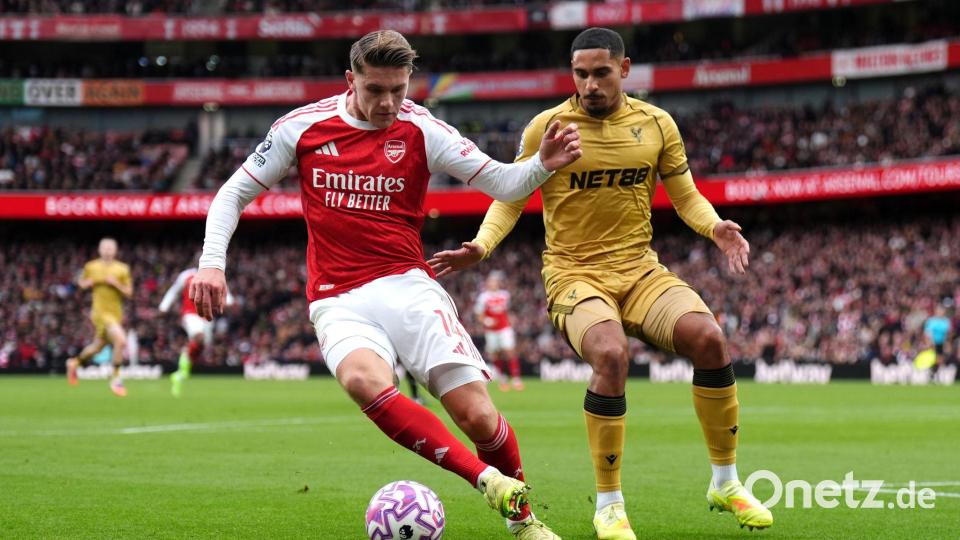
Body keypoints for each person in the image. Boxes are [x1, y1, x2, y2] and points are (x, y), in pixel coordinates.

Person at [189, 30, 581, 539]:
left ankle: (523, 522)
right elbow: (232, 193)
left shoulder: (423, 128)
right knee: (362, 380)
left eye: (399, 89)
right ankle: (487, 480)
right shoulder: (302, 128)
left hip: (407, 287)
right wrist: (211, 263)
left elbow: (502, 182)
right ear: (350, 81)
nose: (389, 103)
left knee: (479, 417)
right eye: (376, 89)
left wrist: (541, 165)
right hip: (337, 297)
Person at [429, 27, 772, 538]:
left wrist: (715, 227)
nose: (590, 84)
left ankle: (725, 482)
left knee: (710, 339)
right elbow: (511, 196)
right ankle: (609, 505)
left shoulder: (657, 124)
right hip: (573, 273)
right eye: (580, 74)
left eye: (601, 73)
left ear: (624, 69)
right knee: (611, 356)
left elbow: (685, 195)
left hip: (640, 271)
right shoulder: (548, 128)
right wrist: (482, 246)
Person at [66, 237, 133, 397]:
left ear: (115, 251)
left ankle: (74, 363)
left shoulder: (122, 269)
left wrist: (115, 283)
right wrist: (86, 284)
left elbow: (129, 292)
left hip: (116, 313)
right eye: (105, 248)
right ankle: (116, 379)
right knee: (121, 340)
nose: (107, 251)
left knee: (98, 346)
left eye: (110, 248)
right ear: (100, 250)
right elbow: (80, 284)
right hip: (99, 312)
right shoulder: (91, 266)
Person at [158, 267, 233, 397]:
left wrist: (229, 301)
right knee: (199, 337)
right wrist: (164, 306)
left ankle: (180, 373)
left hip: (207, 315)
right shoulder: (186, 275)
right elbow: (174, 291)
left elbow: (223, 288)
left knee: (203, 345)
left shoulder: (214, 273)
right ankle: (183, 368)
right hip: (190, 314)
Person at [475, 272, 524, 391]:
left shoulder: (505, 295)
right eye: (490, 282)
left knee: (510, 351)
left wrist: (511, 319)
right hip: (491, 331)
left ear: (498, 283)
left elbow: (508, 310)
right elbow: (479, 315)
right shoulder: (483, 297)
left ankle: (516, 379)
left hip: (505, 328)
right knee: (495, 354)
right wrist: (486, 321)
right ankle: (502, 379)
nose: (492, 284)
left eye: (494, 282)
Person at [923, 304, 952, 369]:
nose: (940, 312)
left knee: (944, 352)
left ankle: (941, 368)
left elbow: (948, 334)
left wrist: (947, 343)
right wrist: (930, 343)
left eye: (942, 310)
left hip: (942, 343)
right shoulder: (931, 321)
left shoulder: (946, 321)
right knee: (935, 354)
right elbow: (927, 334)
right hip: (932, 343)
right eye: (939, 310)